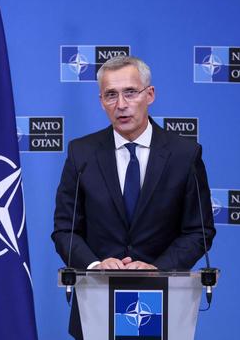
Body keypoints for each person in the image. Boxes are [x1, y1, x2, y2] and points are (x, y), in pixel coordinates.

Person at [51, 56, 215, 339]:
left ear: (149, 95)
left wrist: (158, 268)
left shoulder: (184, 155)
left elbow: (199, 232)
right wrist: (95, 265)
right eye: (111, 95)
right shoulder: (82, 153)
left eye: (130, 92)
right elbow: (65, 230)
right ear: (101, 101)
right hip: (96, 304)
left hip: (162, 301)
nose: (121, 104)